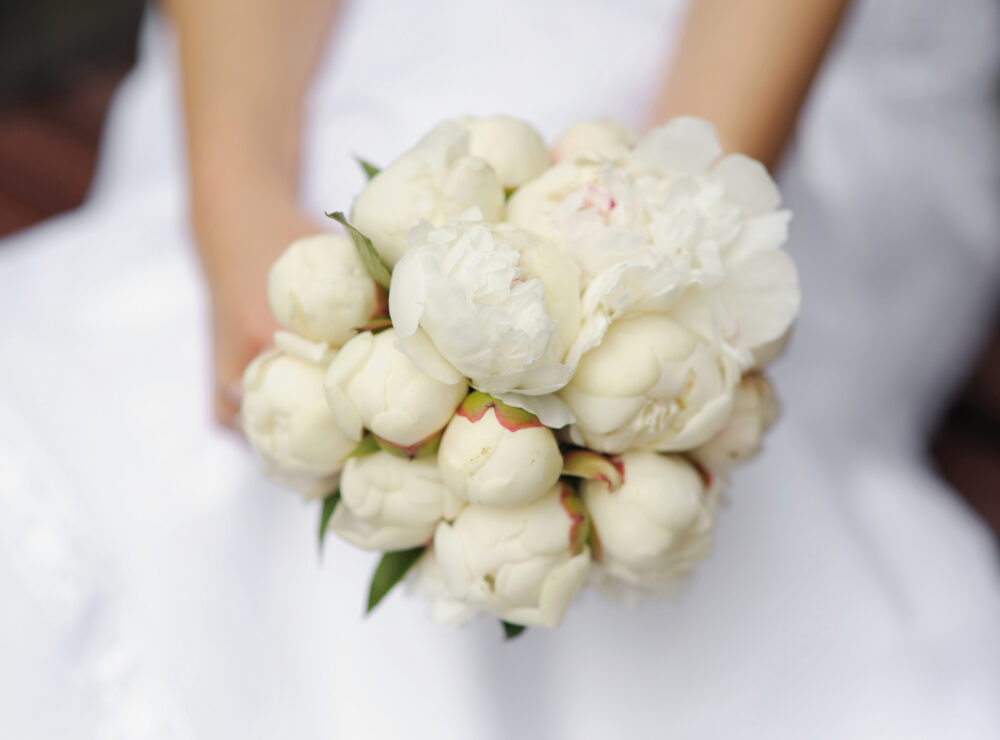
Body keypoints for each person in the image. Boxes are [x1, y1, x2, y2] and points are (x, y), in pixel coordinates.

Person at [1, 0, 999, 737]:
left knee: (559, 191)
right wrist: (237, 208)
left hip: (788, 79)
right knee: (245, 310)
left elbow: (697, 188)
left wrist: (659, 270)